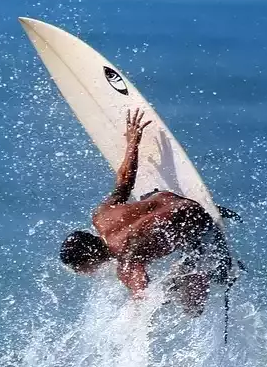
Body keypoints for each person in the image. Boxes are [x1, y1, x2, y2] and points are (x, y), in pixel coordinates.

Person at [60, 109, 239, 317]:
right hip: (172, 199)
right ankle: (187, 268)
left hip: (200, 224)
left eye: (82, 268)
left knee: (191, 308)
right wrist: (133, 143)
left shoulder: (125, 262)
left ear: (90, 259)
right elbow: (125, 180)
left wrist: (137, 312)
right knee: (148, 206)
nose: (85, 273)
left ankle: (206, 271)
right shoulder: (102, 216)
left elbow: (142, 292)